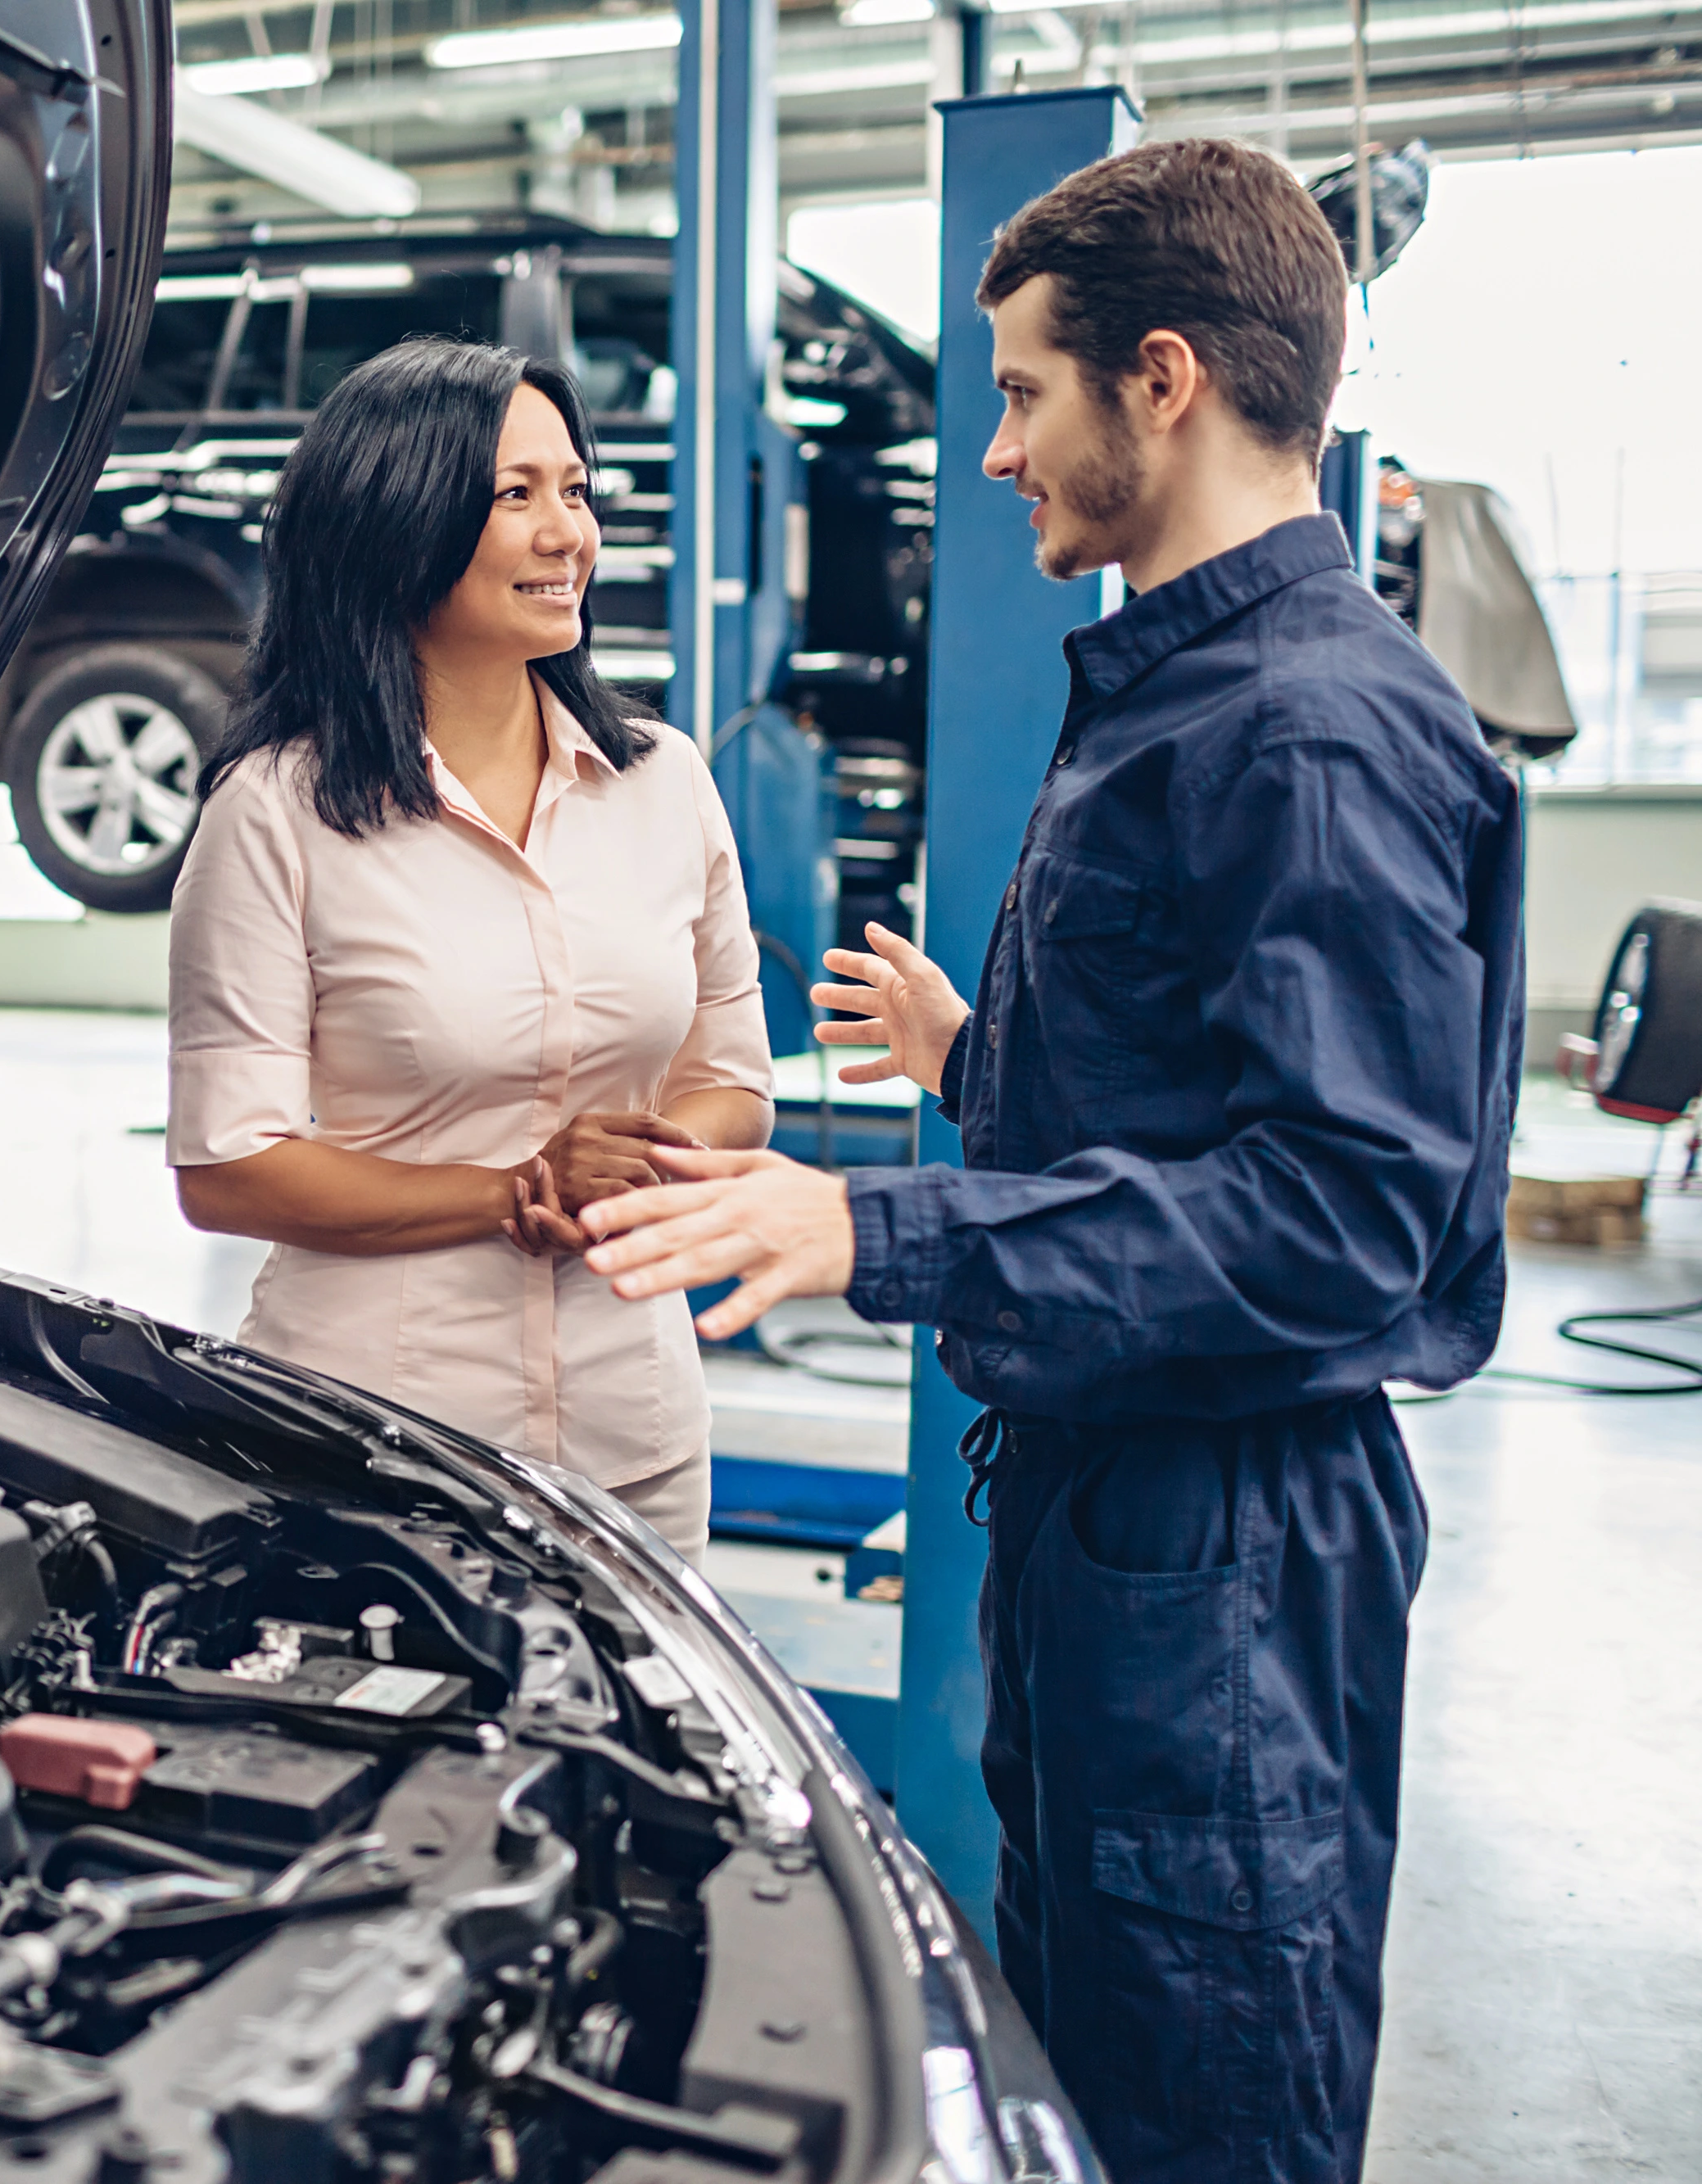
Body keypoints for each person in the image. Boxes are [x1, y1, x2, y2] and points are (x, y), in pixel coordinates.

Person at [573, 140, 1523, 2182]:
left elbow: (1337, 1218)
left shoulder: (1300, 728)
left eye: (1016, 391)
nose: (992, 451)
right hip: (1123, 1524)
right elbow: (1201, 1112)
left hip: (1224, 1546)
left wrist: (866, 1220)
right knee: (1086, 2056)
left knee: (1199, 2098)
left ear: (1156, 378)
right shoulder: (1181, 689)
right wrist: (976, 1061)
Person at [165, 337, 773, 1560]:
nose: (569, 534)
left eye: (577, 490)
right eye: (517, 495)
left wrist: (639, 1160)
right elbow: (227, 1167)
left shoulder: (664, 783)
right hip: (374, 1440)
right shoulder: (279, 811)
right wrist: (510, 1193)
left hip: (633, 1438)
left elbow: (735, 1084)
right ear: (400, 522)